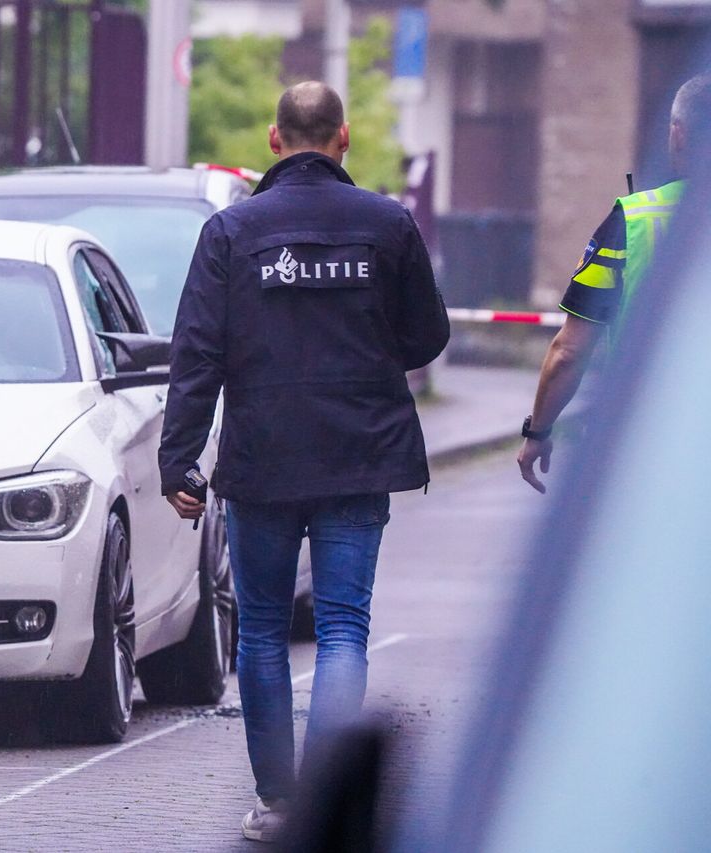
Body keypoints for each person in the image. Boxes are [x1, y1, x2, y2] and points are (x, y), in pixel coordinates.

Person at [158, 81, 450, 842]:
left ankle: (279, 803)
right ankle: (324, 807)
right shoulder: (387, 225)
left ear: (273, 138)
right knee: (345, 628)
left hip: (263, 456)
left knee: (258, 629)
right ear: (345, 138)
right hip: (359, 451)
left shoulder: (231, 233)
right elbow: (427, 335)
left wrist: (179, 461)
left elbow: (196, 354)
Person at [518, 72, 711, 493]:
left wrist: (538, 432)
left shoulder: (634, 221)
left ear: (678, 135)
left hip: (650, 447)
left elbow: (570, 350)